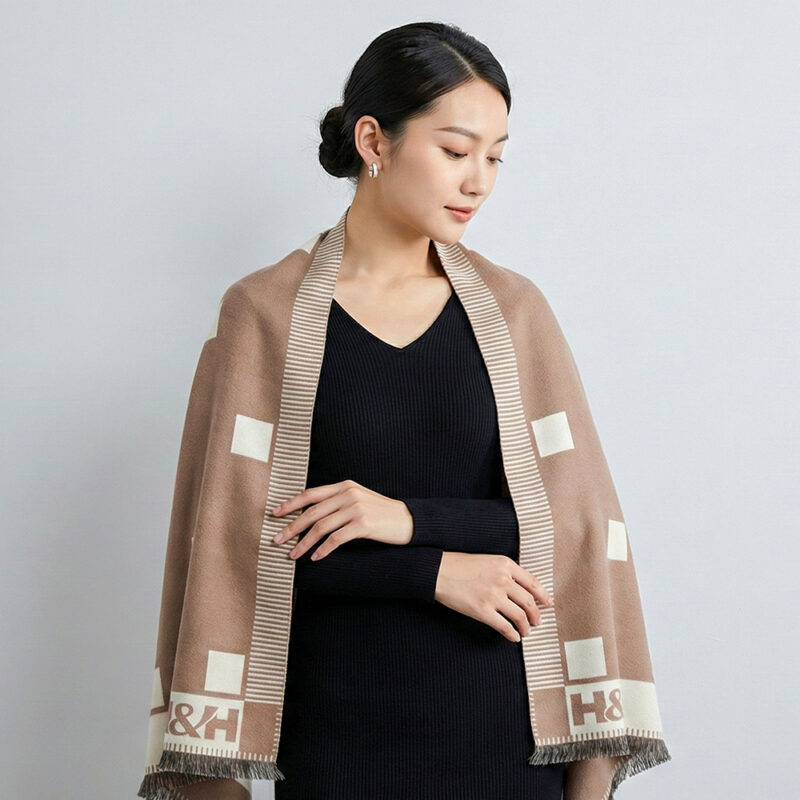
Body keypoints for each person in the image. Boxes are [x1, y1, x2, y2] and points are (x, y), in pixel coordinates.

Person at [270, 21, 568, 799]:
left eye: (495, 156)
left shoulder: (513, 313)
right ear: (375, 140)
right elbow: (241, 549)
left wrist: (404, 518)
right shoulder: (268, 314)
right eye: (456, 150)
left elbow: (564, 521)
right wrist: (431, 571)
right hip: (342, 743)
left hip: (505, 743)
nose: (479, 182)